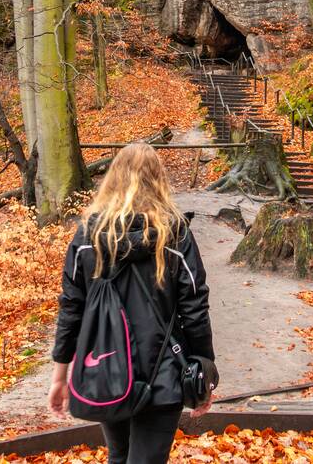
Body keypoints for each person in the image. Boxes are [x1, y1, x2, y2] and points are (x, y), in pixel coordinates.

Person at [47, 141, 215, 464]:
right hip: (164, 373)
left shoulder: (88, 238)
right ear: (159, 180)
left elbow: (71, 307)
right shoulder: (175, 235)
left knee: (119, 456)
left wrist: (60, 375)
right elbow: (195, 308)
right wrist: (204, 370)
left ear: (113, 178)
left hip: (108, 369)